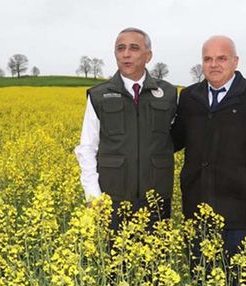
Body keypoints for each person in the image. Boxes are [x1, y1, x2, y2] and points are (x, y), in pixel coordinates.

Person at [172, 35, 246, 258]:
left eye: (221, 58)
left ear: (235, 61)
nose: (214, 65)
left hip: (241, 212)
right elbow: (173, 141)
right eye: (208, 59)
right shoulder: (189, 97)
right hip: (197, 210)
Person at [75, 27, 177, 230]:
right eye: (120, 48)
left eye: (134, 48)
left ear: (148, 55)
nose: (126, 54)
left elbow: (176, 137)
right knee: (115, 259)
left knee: (156, 260)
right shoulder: (99, 95)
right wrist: (93, 195)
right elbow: (87, 147)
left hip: (156, 199)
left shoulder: (168, 93)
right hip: (112, 199)